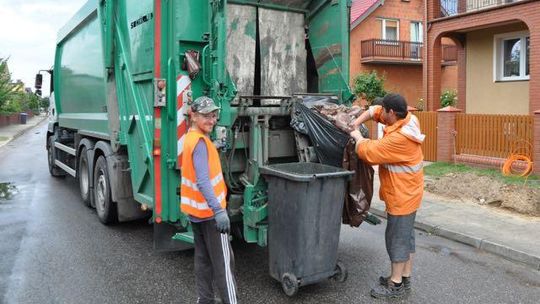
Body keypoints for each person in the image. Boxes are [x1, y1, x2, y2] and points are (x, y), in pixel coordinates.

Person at [349, 94, 425, 299]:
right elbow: (374, 111)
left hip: (402, 195)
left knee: (396, 240)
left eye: (384, 110)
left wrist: (356, 134)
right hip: (410, 191)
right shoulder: (406, 119)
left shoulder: (400, 139)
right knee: (406, 238)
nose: (380, 113)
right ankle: (404, 278)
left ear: (391, 112)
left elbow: (369, 151)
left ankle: (396, 286)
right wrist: (356, 121)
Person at [180, 96, 237, 304]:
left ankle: (204, 300)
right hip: (211, 215)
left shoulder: (191, 137)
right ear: (193, 116)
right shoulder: (201, 143)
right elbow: (203, 181)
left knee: (203, 261)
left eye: (213, 116)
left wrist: (213, 145)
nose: (211, 120)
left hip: (196, 214)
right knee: (223, 265)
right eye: (206, 116)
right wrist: (219, 211)